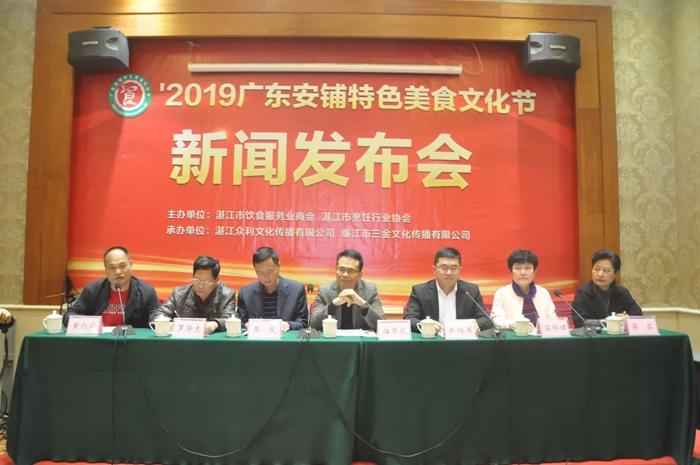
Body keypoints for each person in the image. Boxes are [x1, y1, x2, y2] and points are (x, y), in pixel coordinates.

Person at [63, 246, 160, 328]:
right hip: (99, 341)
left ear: (131, 264)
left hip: (132, 343)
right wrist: (90, 324)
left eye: (122, 266)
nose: (118, 272)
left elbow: (158, 319)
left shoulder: (146, 292)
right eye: (112, 267)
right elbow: (69, 316)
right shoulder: (92, 290)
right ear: (105, 269)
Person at [404, 247, 492, 334]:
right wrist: (426, 325)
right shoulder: (420, 291)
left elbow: (485, 319)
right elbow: (409, 319)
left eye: (454, 268)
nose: (449, 273)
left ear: (460, 270)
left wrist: (476, 325)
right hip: (432, 340)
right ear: (434, 270)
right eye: (444, 268)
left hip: (461, 340)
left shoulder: (471, 291)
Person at [150, 255, 237, 334]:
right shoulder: (179, 294)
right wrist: (169, 324)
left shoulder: (227, 295)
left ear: (216, 280)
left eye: (206, 282)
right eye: (197, 280)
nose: (200, 285)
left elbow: (231, 319)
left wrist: (215, 324)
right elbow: (157, 315)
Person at [310, 249, 384, 331]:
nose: (345, 274)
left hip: (360, 338)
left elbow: (381, 325)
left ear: (360, 275)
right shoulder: (324, 291)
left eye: (351, 271)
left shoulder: (370, 290)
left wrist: (361, 303)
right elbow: (314, 325)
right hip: (333, 338)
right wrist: (333, 305)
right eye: (341, 269)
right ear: (336, 270)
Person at [237, 247, 308, 332]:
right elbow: (239, 323)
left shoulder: (296, 290)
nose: (266, 277)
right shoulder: (245, 293)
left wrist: (289, 325)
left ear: (278, 266)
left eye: (269, 271)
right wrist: (246, 325)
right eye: (260, 273)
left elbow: (303, 322)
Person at [572, 249, 642, 327]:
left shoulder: (622, 293)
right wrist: (609, 322)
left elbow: (638, 317)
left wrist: (627, 319)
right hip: (592, 335)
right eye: (596, 269)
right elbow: (579, 321)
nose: (600, 274)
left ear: (616, 273)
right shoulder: (583, 293)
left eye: (606, 270)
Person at [490, 249, 556, 331]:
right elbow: (497, 322)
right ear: (511, 272)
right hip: (515, 337)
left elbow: (553, 320)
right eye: (518, 268)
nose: (523, 272)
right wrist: (516, 324)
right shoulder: (502, 294)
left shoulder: (543, 293)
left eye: (528, 268)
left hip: (541, 338)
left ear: (535, 271)